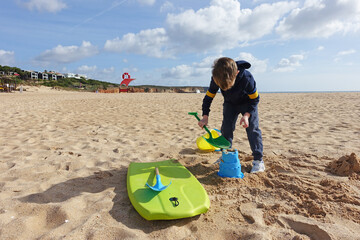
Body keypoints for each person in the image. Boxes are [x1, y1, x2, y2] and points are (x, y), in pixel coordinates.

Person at [198, 57, 264, 173]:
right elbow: (208, 97)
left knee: (252, 129)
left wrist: (247, 115)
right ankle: (226, 155)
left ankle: (258, 161)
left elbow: (255, 99)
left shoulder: (247, 78)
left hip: (247, 103)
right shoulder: (216, 77)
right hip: (230, 104)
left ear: (236, 73)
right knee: (226, 128)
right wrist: (205, 117)